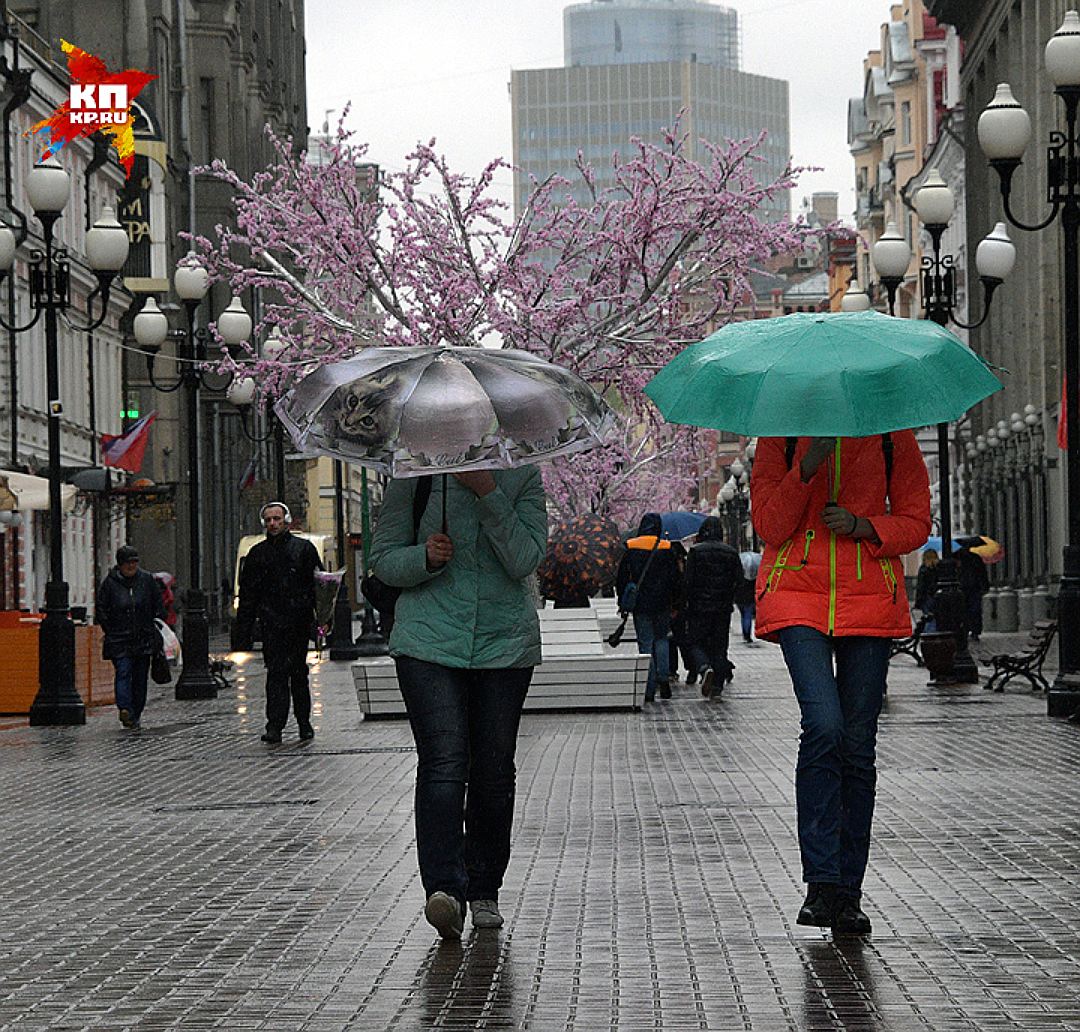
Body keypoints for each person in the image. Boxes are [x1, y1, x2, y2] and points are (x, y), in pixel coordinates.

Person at [751, 433, 930, 936]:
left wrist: (864, 525)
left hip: (870, 595)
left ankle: (848, 893)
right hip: (796, 595)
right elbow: (769, 525)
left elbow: (916, 521)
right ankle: (821, 881)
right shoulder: (782, 437)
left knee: (857, 745)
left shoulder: (892, 437)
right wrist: (806, 467)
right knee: (824, 726)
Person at [370, 468, 547, 940]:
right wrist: (424, 557)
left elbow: (525, 558)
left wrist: (488, 493)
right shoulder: (414, 477)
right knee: (444, 762)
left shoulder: (522, 477)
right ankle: (444, 891)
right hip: (428, 641)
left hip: (504, 643)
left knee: (492, 769)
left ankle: (484, 886)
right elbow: (384, 560)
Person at [235, 501, 322, 744]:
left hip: (298, 622)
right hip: (272, 624)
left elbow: (320, 585)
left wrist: (321, 621)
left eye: (276, 518)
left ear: (287, 520)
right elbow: (248, 594)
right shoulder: (257, 554)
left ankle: (304, 723)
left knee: (298, 674)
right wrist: (244, 630)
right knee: (275, 675)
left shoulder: (304, 550)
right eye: (269, 520)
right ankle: (275, 726)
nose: (273, 523)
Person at [96, 544, 165, 730]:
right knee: (124, 672)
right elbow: (101, 609)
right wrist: (110, 629)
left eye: (134, 562)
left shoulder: (146, 580)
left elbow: (158, 605)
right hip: (119, 638)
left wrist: (154, 623)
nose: (132, 566)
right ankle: (125, 708)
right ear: (120, 564)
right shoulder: (110, 583)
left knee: (140, 677)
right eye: (128, 563)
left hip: (143, 638)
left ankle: (135, 712)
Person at [615, 513, 681, 702]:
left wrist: (622, 601)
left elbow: (621, 579)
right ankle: (663, 677)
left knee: (645, 643)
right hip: (662, 603)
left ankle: (649, 687)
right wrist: (675, 603)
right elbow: (675, 579)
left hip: (641, 604)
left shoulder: (631, 546)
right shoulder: (666, 547)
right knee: (661, 640)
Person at [684, 516, 744, 698]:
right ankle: (717, 685)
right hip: (722, 608)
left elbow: (687, 581)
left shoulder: (695, 552)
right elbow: (739, 580)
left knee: (695, 641)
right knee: (720, 645)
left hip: (699, 607)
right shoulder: (731, 552)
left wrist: (687, 602)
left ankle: (704, 667)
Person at [957, 545, 989, 641]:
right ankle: (975, 631)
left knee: (965, 611)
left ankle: (967, 630)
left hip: (963, 587)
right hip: (974, 587)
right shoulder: (976, 557)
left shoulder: (957, 557)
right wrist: (984, 586)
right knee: (974, 610)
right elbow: (982, 573)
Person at [735, 555, 759, 644]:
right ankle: (747, 635)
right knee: (747, 615)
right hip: (750, 598)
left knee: (743, 615)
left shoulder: (740, 575)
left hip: (740, 598)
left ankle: (745, 633)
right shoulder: (755, 576)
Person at [915, 548, 940, 631]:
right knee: (936, 618)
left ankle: (929, 636)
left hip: (927, 598)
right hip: (937, 597)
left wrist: (918, 602)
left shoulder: (923, 569)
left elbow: (920, 587)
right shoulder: (939, 568)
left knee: (928, 618)